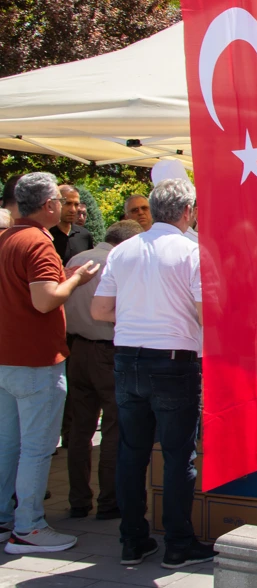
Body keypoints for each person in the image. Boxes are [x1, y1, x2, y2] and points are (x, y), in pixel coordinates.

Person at [89, 178, 211, 568]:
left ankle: (132, 539)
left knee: (132, 453)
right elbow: (204, 313)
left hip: (127, 358)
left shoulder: (122, 251)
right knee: (178, 456)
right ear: (188, 210)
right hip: (173, 361)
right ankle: (178, 542)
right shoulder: (192, 251)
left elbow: (100, 311)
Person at [0, 173, 102, 555]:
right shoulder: (37, 243)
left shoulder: (7, 238)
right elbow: (44, 301)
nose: (65, 207)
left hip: (8, 358)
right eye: (60, 200)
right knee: (37, 448)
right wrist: (75, 280)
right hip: (35, 360)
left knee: (8, 445)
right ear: (48, 206)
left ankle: (6, 519)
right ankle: (28, 526)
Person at [64, 220, 142, 520]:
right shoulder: (117, 263)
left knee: (80, 431)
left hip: (77, 349)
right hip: (108, 350)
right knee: (114, 428)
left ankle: (79, 499)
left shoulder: (77, 259)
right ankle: (110, 501)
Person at [50, 185, 94, 265]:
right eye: (67, 203)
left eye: (76, 204)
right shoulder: (46, 235)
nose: (73, 210)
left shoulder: (84, 235)